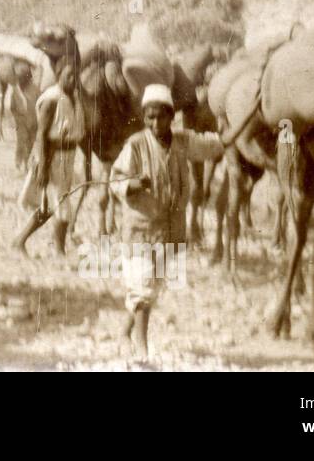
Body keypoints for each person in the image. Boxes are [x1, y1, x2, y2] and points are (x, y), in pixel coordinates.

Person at [109, 84, 224, 357]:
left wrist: (231, 134)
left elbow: (212, 146)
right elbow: (116, 180)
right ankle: (141, 346)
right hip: (141, 227)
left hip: (171, 229)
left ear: (172, 116)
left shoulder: (183, 142)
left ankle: (125, 332)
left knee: (152, 286)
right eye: (149, 117)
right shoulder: (136, 145)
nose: (155, 123)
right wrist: (134, 184)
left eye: (161, 116)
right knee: (142, 285)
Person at [12, 24, 85, 256]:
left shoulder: (72, 98)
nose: (73, 79)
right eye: (68, 75)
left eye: (75, 76)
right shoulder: (52, 99)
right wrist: (42, 165)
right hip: (52, 157)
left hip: (67, 157)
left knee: (50, 205)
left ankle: (20, 240)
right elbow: (42, 135)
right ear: (59, 74)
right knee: (61, 205)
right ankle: (60, 250)